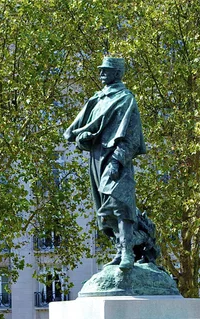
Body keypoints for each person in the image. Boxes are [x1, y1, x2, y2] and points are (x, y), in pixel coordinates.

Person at [64, 56, 146, 270]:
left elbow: (132, 136)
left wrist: (118, 160)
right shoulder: (97, 99)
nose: (101, 73)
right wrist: (83, 140)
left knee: (120, 203)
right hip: (97, 158)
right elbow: (75, 134)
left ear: (117, 73)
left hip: (116, 157)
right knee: (104, 209)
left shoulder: (126, 98)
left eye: (106, 70)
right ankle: (120, 250)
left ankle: (128, 252)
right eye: (101, 69)